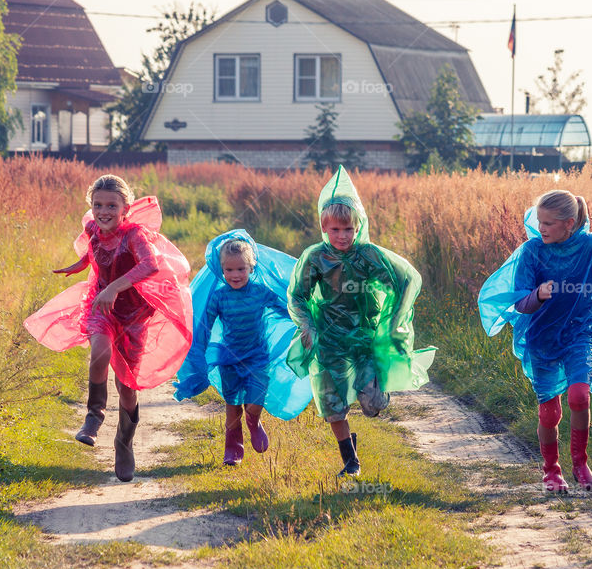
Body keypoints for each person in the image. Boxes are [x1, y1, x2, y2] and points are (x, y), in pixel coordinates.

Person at [24, 174, 192, 482]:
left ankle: (124, 442)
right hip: (101, 308)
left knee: (127, 387)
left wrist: (115, 286)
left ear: (125, 208)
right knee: (99, 351)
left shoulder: (136, 235)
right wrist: (81, 265)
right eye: (98, 204)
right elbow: (95, 250)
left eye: (111, 205)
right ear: (92, 206)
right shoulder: (92, 229)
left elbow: (150, 266)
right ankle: (94, 415)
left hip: (134, 315)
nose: (104, 211)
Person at [478, 190, 592, 492]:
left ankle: (581, 465)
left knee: (579, 396)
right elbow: (520, 302)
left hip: (579, 333)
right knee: (550, 411)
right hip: (541, 338)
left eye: (548, 223)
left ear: (569, 223)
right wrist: (538, 295)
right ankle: (551, 471)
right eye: (539, 221)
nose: (540, 228)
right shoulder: (532, 251)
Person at [287, 166, 435, 477]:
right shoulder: (315, 258)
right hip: (329, 340)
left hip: (364, 340)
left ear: (358, 227)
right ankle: (350, 462)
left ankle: (378, 397)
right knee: (332, 406)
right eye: (335, 230)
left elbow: (407, 278)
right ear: (324, 228)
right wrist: (308, 326)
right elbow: (297, 297)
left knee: (372, 402)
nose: (342, 236)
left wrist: (394, 321)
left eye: (348, 229)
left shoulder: (369, 256)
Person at [173, 229, 313, 465]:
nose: (235, 274)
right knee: (233, 404)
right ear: (221, 270)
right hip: (229, 358)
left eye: (240, 269)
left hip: (258, 357)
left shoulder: (260, 292)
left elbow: (284, 307)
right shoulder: (219, 297)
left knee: (255, 400)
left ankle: (254, 420)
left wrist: (305, 321)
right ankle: (233, 446)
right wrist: (198, 352)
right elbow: (204, 326)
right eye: (229, 270)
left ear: (251, 267)